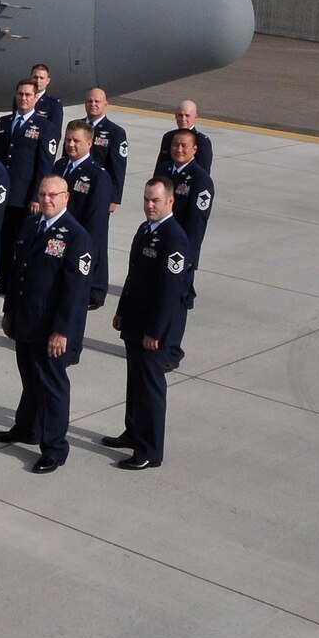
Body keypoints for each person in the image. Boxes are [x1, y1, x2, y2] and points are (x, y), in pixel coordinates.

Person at [0, 175, 94, 473]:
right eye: (42, 194)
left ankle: (54, 448)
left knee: (52, 387)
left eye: (53, 195)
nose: (46, 200)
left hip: (51, 328)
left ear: (66, 197)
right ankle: (27, 428)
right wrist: (9, 310)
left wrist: (62, 331)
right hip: (26, 319)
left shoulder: (76, 236)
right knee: (30, 379)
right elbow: (18, 272)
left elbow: (75, 292)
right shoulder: (31, 225)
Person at [104, 177, 195, 470]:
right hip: (135, 321)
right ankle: (133, 432)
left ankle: (150, 450)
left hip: (153, 329)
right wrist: (121, 311)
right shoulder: (146, 230)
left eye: (155, 200)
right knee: (135, 383)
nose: (149, 205)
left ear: (170, 201)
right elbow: (133, 276)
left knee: (150, 389)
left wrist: (156, 331)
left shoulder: (174, 238)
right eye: (146, 200)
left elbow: (170, 292)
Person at [0, 79, 61, 266]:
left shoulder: (45, 127)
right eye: (20, 94)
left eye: (28, 95)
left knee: (20, 241)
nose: (23, 98)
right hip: (1, 193)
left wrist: (36, 197)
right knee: (0, 239)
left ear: (35, 98)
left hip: (24, 197)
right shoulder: (4, 122)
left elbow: (44, 165)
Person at [163, 128, 215, 363]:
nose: (179, 149)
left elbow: (196, 225)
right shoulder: (165, 171)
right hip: (160, 247)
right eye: (175, 144)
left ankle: (172, 351)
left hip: (180, 254)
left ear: (195, 149)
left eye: (184, 145)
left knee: (176, 302)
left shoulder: (200, 180)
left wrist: (188, 258)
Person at [54, 120, 117, 308]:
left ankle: (94, 292)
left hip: (79, 236)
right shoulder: (60, 166)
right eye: (68, 140)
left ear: (89, 144)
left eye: (76, 141)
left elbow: (95, 221)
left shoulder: (98, 176)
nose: (71, 145)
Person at [85, 88, 129, 216]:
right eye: (90, 101)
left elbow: (118, 168)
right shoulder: (75, 126)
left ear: (105, 104)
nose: (93, 104)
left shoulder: (115, 132)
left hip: (99, 192)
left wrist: (114, 198)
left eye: (97, 101)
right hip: (76, 187)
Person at [158, 100, 215, 174]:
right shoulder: (168, 137)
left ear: (196, 116)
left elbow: (203, 172)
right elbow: (160, 167)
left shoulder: (202, 141)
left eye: (187, 115)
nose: (183, 119)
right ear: (175, 116)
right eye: (180, 115)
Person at [28, 62, 65, 128]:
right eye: (35, 77)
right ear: (31, 78)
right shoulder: (21, 99)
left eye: (41, 78)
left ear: (47, 81)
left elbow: (55, 130)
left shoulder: (54, 104)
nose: (38, 81)